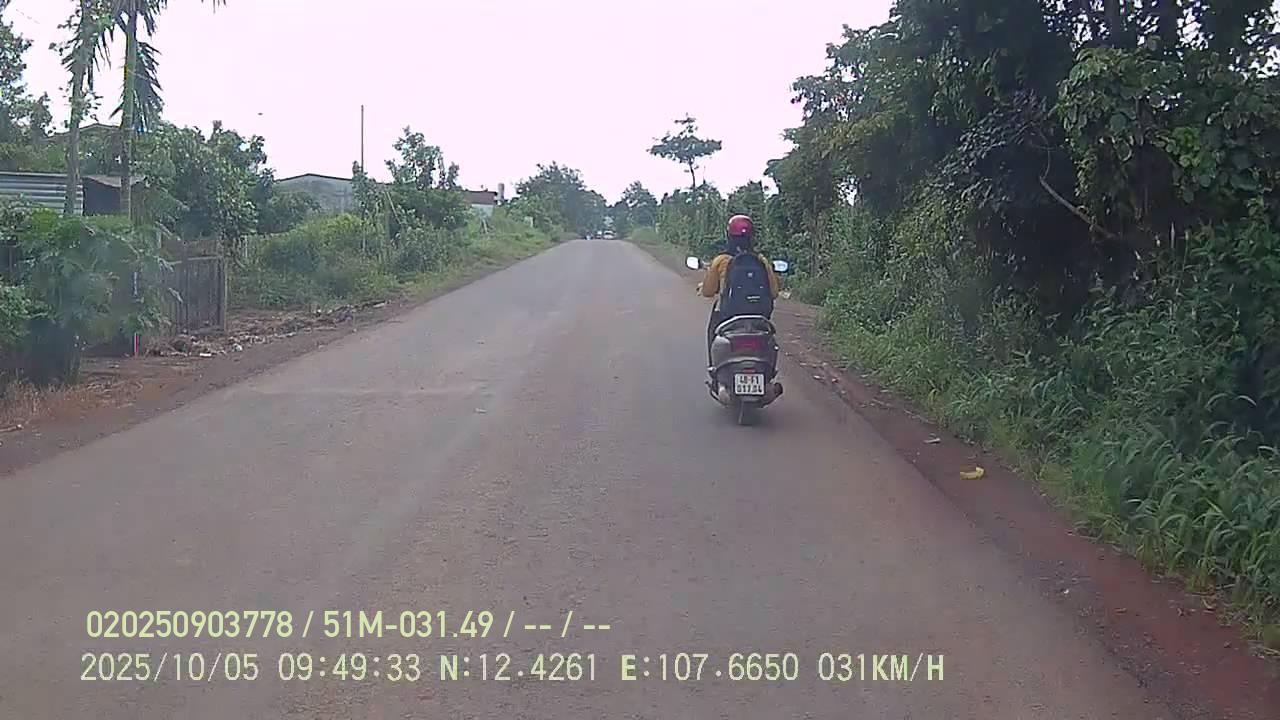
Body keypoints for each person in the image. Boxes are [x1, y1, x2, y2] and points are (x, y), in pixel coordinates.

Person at [696, 214, 780, 365]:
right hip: (758, 317)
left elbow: (708, 291)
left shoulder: (721, 260)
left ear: (729, 236)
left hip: (727, 316)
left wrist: (703, 288)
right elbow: (774, 293)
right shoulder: (761, 260)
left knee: (713, 332)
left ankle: (715, 367)